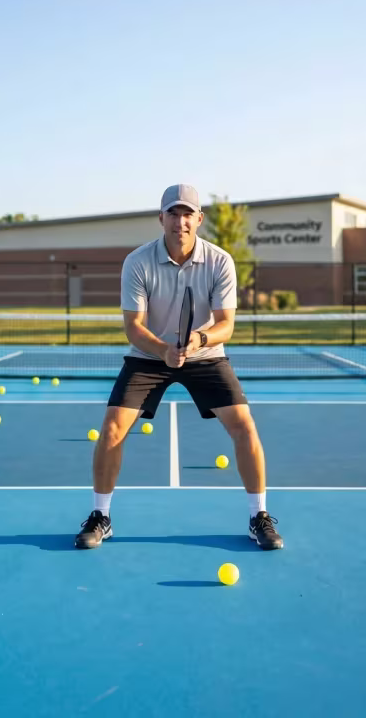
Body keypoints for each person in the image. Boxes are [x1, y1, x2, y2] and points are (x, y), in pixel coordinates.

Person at [75, 184, 283, 551]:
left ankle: (259, 517)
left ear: (199, 220)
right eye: (173, 213)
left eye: (188, 214)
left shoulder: (220, 261)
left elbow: (226, 325)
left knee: (244, 425)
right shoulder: (137, 262)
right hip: (149, 356)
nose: (180, 221)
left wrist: (199, 340)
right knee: (111, 429)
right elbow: (133, 327)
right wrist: (163, 350)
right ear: (161, 219)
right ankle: (100, 517)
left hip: (205, 355)